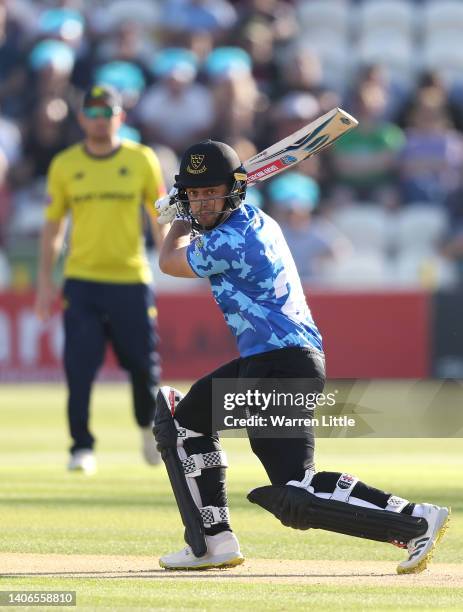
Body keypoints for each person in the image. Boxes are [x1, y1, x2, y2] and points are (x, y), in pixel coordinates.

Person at [152, 139, 450, 573]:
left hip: (280, 364)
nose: (201, 203)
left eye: (210, 192)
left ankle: (414, 518)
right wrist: (187, 211)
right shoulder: (257, 220)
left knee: (298, 491)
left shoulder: (231, 239)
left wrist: (177, 219)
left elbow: (168, 263)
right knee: (188, 421)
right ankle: (213, 541)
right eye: (193, 194)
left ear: (234, 190)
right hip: (275, 361)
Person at [35, 84, 167, 474]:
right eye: (91, 113)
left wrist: (173, 258)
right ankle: (81, 447)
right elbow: (53, 227)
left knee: (143, 368)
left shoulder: (142, 159)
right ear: (81, 119)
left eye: (106, 113)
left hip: (130, 279)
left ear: (119, 117)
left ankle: (148, 429)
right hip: (83, 280)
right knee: (79, 368)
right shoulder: (64, 164)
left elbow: (160, 215)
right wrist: (46, 280)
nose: (99, 120)